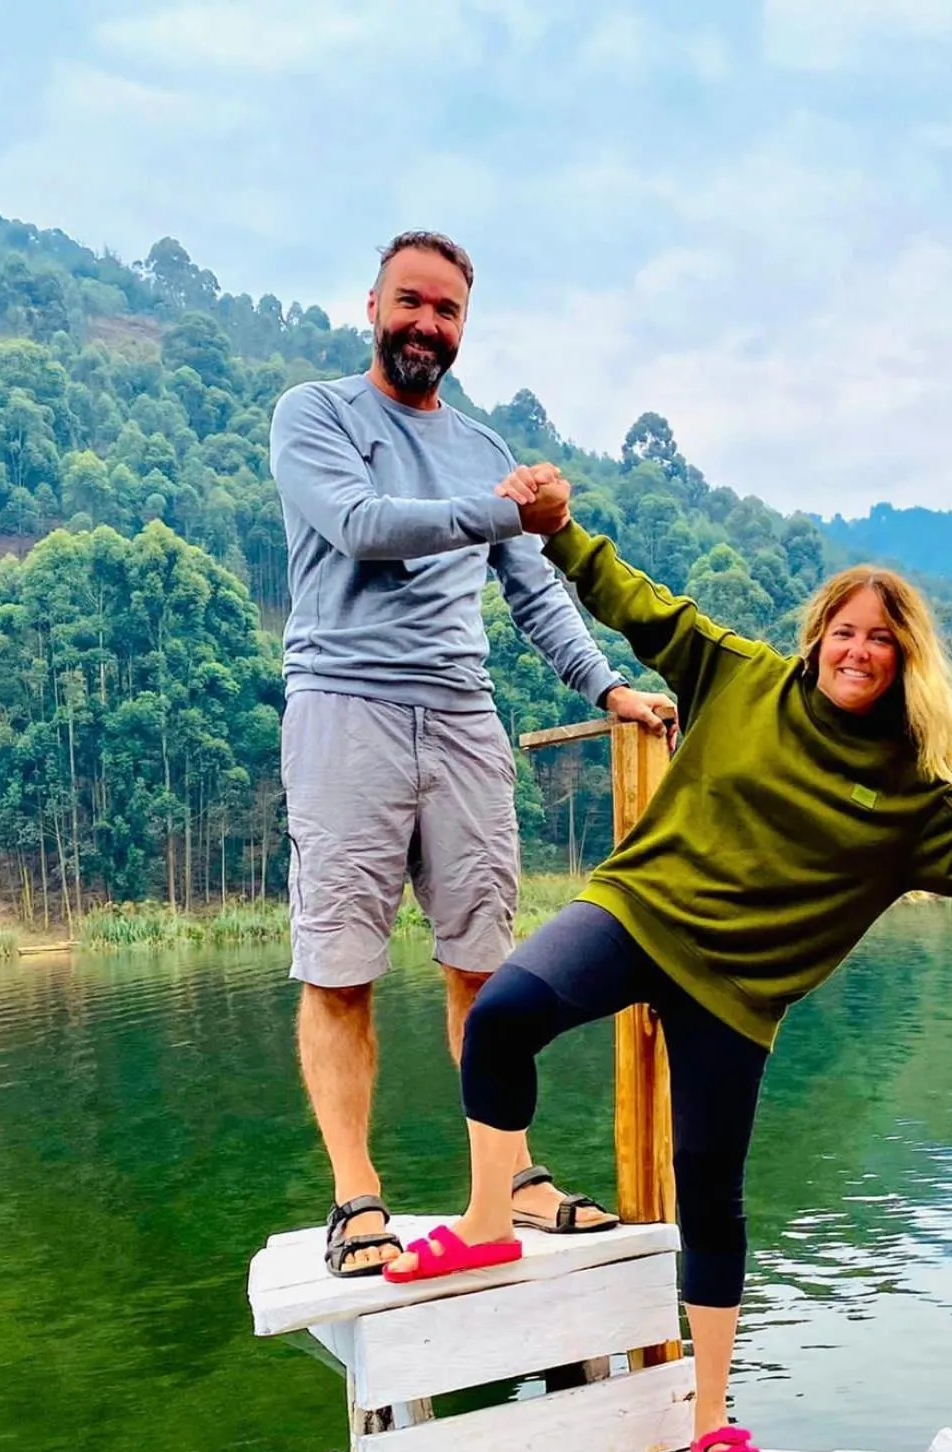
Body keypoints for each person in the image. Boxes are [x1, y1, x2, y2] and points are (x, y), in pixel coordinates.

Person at [385, 471, 952, 1452]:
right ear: (815, 636)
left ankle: (708, 1418)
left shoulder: (909, 796)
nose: (857, 650)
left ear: (903, 659)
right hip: (641, 910)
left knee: (708, 1191)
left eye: (880, 638)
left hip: (734, 993)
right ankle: (486, 1224)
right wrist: (560, 534)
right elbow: (642, 605)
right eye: (843, 630)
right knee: (503, 1012)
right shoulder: (740, 678)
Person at [269, 232, 679, 1276]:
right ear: (370, 306)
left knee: (484, 970)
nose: (426, 325)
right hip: (343, 708)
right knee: (339, 969)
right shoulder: (314, 416)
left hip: (462, 717)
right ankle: (356, 1197)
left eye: (446, 311)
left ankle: (514, 1181)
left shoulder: (481, 443)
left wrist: (609, 687)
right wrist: (509, 508)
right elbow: (363, 527)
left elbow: (534, 589)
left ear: (463, 327)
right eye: (410, 303)